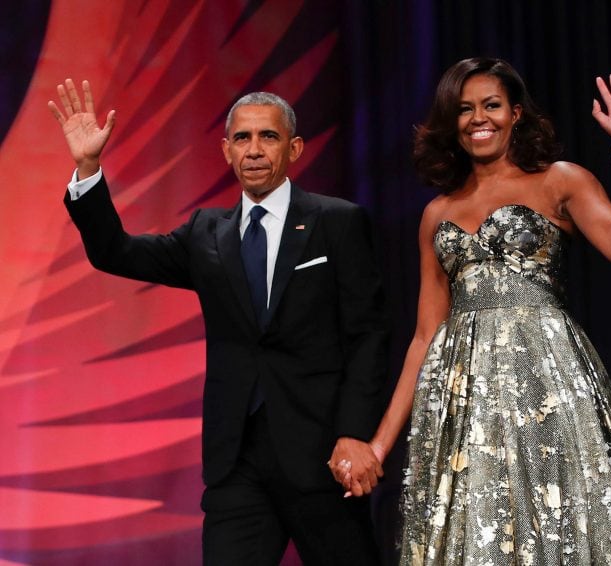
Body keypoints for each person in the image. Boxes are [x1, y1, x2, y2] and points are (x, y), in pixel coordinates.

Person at [330, 57, 611, 564]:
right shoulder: (438, 212)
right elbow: (424, 335)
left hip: (545, 381)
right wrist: (379, 446)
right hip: (462, 396)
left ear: (516, 113)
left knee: (560, 523)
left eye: (492, 105)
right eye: (465, 109)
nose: (480, 118)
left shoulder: (560, 181)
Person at [49, 79, 389, 565]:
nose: (254, 150)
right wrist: (88, 168)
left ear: (293, 148)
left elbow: (368, 336)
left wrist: (356, 433)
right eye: (243, 139)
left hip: (323, 455)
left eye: (268, 137)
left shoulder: (337, 222)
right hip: (237, 464)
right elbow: (114, 252)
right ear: (225, 150)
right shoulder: (206, 233)